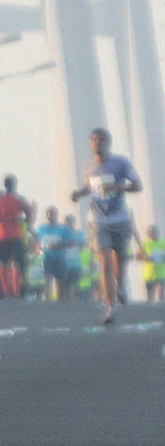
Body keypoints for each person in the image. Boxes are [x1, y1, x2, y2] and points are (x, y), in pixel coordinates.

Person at [71, 128, 143, 323]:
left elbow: (138, 185)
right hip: (98, 220)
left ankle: (120, 287)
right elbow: (89, 187)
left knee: (120, 261)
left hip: (119, 219)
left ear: (108, 143)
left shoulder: (120, 163)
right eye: (93, 140)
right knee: (105, 263)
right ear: (90, 144)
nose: (97, 143)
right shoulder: (87, 166)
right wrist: (79, 194)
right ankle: (110, 308)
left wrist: (119, 186)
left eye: (101, 140)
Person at [0, 176, 33, 300]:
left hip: (1, 235)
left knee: (4, 263)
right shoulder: (20, 199)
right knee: (21, 264)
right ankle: (21, 290)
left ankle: (6, 291)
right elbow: (29, 215)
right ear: (14, 185)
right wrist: (25, 223)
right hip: (16, 235)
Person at [140, 225, 164, 303]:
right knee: (150, 297)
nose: (151, 234)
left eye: (153, 232)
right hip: (149, 273)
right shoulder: (145, 244)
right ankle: (150, 309)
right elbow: (138, 256)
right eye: (150, 232)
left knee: (161, 292)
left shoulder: (163, 243)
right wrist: (146, 258)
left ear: (157, 233)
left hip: (161, 273)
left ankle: (161, 308)